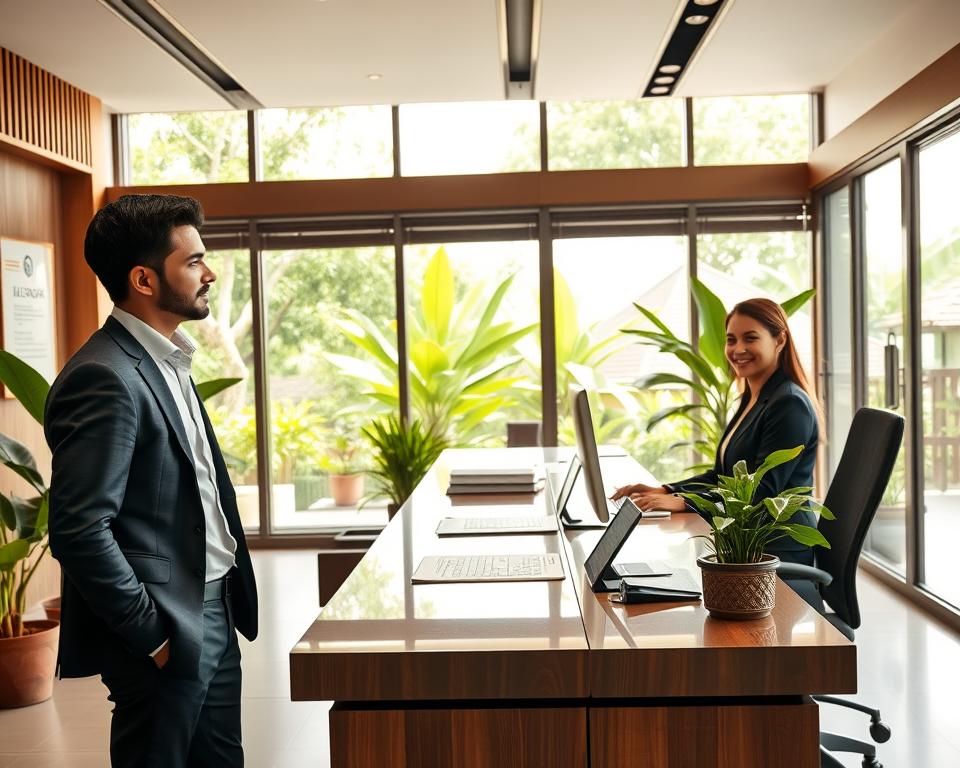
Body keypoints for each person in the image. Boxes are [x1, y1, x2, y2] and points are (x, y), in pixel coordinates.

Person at [45, 194, 258, 767]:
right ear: (143, 278)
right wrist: (155, 638)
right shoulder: (103, 375)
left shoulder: (168, 359)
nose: (208, 273)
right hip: (166, 623)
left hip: (212, 605)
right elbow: (80, 529)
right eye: (193, 262)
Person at [612, 297, 821, 565]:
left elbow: (761, 493)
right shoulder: (752, 398)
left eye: (750, 338)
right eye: (731, 340)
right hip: (744, 541)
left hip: (774, 550)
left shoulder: (789, 404)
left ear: (779, 340)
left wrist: (685, 502)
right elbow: (721, 476)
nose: (738, 349)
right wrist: (665, 490)